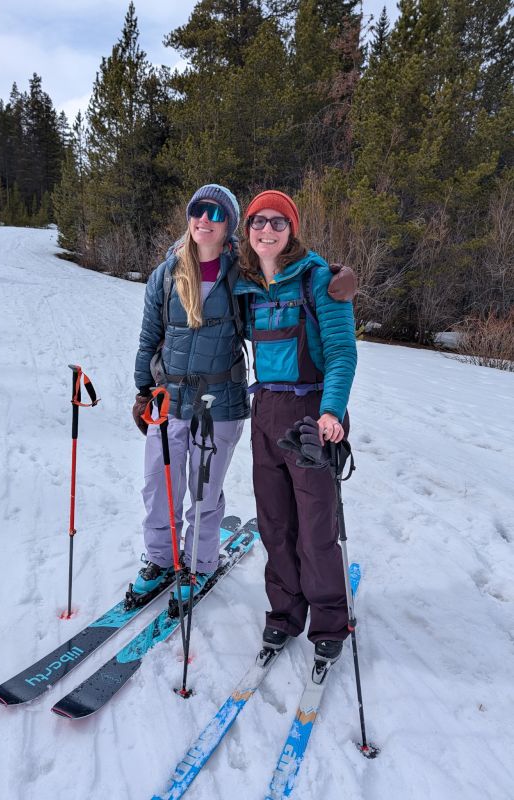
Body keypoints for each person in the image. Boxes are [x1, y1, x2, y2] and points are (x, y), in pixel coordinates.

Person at [233, 190, 357, 666]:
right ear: (247, 230)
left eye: (278, 222)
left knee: (316, 528)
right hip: (265, 411)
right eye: (258, 221)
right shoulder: (246, 286)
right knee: (274, 523)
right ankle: (284, 613)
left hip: (312, 416)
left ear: (292, 230)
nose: (267, 229)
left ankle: (328, 619)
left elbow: (343, 353)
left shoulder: (319, 280)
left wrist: (332, 412)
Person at [131, 184, 249, 602]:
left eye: (216, 213)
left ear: (229, 225)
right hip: (169, 401)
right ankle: (161, 559)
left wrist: (326, 283)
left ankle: (198, 566)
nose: (204, 219)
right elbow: (150, 337)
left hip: (221, 403)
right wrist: (144, 391)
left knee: (203, 489)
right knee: (157, 485)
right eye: (198, 210)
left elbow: (272, 321)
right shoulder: (165, 275)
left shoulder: (242, 277)